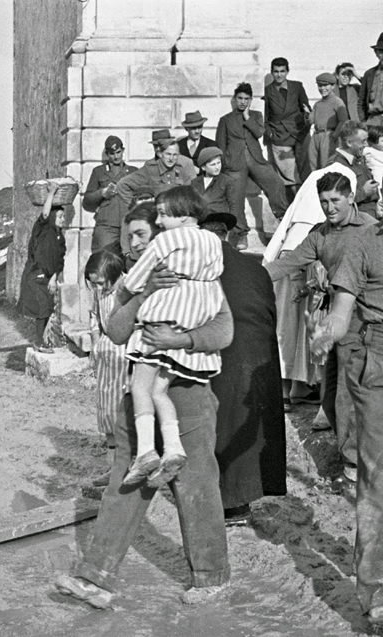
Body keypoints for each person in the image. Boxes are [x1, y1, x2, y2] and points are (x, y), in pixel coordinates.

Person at [54, 225, 234, 608]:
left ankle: (211, 575)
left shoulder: (201, 279)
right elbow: (116, 332)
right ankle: (95, 578)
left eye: (143, 235)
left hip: (189, 395)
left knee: (196, 485)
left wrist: (181, 340)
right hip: (139, 400)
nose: (136, 244)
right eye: (131, 237)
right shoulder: (138, 281)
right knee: (125, 483)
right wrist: (143, 292)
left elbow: (224, 331)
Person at [309, 157, 383, 630]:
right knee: (379, 478)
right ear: (380, 198)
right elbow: (341, 310)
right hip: (380, 370)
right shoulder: (363, 243)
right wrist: (328, 333)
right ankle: (379, 590)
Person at [265, 172, 376, 483]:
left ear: (351, 197)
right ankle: (350, 458)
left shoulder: (371, 230)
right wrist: (248, 277)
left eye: (335, 201)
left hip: (363, 322)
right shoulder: (320, 235)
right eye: (324, 202)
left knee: (348, 394)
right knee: (329, 396)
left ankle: (354, 466)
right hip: (332, 320)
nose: (329, 208)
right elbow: (286, 265)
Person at [117, 187, 225, 488]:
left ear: (184, 216)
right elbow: (215, 273)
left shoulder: (167, 240)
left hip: (159, 321)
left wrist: (129, 287)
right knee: (159, 391)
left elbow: (137, 281)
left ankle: (146, 451)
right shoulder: (213, 241)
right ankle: (174, 448)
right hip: (192, 320)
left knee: (139, 386)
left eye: (164, 214)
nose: (160, 221)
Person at [198, 210, 286, 526]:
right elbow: (270, 316)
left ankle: (225, 504)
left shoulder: (199, 267)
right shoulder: (254, 267)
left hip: (224, 353)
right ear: (228, 235)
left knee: (220, 425)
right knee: (249, 429)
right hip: (260, 356)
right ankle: (242, 502)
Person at [217, 82, 290, 249]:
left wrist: (247, 118)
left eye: (246, 99)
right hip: (234, 164)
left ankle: (282, 220)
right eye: (240, 98)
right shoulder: (225, 120)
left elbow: (259, 133)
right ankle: (242, 234)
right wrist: (224, 164)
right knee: (235, 198)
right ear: (235, 99)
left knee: (275, 183)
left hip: (256, 159)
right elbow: (220, 145)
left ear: (250, 100)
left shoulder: (256, 116)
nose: (243, 102)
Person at [102, 131, 196, 255]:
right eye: (167, 154)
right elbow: (123, 185)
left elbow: (194, 193)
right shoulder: (150, 168)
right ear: (160, 153)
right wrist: (138, 209)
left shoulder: (186, 164)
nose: (171, 158)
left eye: (174, 155)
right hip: (158, 224)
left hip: (180, 223)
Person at [84, 249, 129, 488]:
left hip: (125, 360)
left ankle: (124, 469)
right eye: (94, 284)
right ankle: (112, 469)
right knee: (107, 414)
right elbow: (94, 315)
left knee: (123, 415)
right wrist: (94, 341)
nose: (98, 287)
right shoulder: (100, 292)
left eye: (101, 282)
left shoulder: (129, 289)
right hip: (105, 360)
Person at [17, 183, 66, 353]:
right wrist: (52, 192)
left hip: (48, 277)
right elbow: (45, 213)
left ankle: (41, 340)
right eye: (59, 217)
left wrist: (54, 278)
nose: (62, 220)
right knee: (42, 308)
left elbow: (59, 262)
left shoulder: (60, 238)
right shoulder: (42, 229)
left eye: (63, 217)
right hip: (35, 274)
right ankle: (39, 342)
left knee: (46, 308)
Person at [264, 57, 312, 192]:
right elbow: (266, 116)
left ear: (287, 71)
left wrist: (308, 116)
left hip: (300, 134)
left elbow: (306, 107)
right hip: (280, 136)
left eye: (282, 71)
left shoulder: (297, 86)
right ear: (272, 72)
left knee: (306, 172)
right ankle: (292, 208)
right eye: (276, 71)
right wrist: (270, 132)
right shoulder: (267, 91)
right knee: (290, 179)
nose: (279, 75)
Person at [83, 135, 137, 252]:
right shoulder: (99, 172)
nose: (116, 156)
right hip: (107, 225)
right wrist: (102, 193)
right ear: (107, 154)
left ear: (123, 151)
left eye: (118, 152)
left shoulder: (133, 172)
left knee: (130, 261)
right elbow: (87, 200)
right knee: (105, 259)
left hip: (128, 223)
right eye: (112, 154)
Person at [331, 120, 381, 217]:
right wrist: (364, 192)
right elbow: (335, 200)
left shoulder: (359, 159)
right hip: (358, 220)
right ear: (349, 142)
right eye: (363, 141)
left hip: (372, 216)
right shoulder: (336, 165)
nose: (366, 144)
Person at [307, 72, 349, 171]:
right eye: (320, 86)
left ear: (333, 86)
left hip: (329, 135)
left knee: (326, 164)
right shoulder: (318, 104)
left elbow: (343, 120)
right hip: (316, 136)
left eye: (326, 85)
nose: (322, 88)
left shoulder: (337, 101)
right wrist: (306, 113)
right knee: (312, 164)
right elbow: (311, 121)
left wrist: (335, 135)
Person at [191, 147, 235, 219]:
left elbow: (233, 205)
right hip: (201, 221)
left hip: (219, 221)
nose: (217, 167)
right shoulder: (195, 182)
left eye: (218, 163)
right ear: (203, 167)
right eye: (213, 164)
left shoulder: (227, 181)